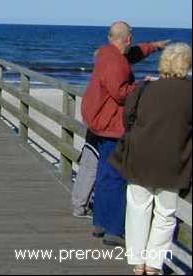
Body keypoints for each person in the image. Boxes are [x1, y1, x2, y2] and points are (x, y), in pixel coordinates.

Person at [81, 21, 169, 247]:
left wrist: (155, 46)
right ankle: (113, 229)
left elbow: (133, 55)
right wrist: (144, 85)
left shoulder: (108, 53)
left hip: (100, 123)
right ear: (128, 38)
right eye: (132, 39)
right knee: (116, 176)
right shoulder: (115, 61)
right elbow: (121, 93)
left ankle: (100, 223)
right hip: (111, 126)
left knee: (104, 174)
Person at [109, 43, 191, 275]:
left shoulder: (143, 88)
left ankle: (137, 262)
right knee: (165, 214)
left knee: (138, 208)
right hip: (174, 159)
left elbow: (128, 120)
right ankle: (153, 265)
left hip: (140, 156)